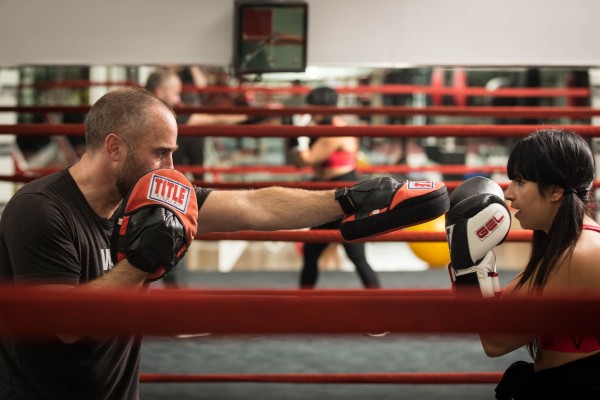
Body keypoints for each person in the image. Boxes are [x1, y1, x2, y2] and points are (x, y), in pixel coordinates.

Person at [0, 86, 447, 399]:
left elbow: (256, 207)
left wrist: (350, 198)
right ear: (113, 147)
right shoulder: (41, 210)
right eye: (160, 152)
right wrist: (139, 263)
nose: (171, 166)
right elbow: (64, 323)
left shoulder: (149, 197)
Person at [446, 128, 600, 399]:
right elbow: (501, 312)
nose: (508, 194)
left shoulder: (576, 254)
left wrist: (470, 266)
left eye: (519, 181)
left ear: (554, 190)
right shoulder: (566, 243)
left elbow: (495, 340)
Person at [145, 68, 246, 288]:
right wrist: (254, 114)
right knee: (168, 238)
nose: (179, 99)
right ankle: (174, 297)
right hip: (158, 192)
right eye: (175, 94)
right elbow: (215, 119)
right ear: (160, 91)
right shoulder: (164, 117)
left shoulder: (138, 113)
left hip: (147, 189)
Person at [290, 86, 380, 289]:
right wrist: (298, 138)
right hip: (331, 195)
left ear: (326, 107)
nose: (310, 113)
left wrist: (300, 135)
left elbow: (306, 160)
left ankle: (380, 300)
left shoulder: (335, 133)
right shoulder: (324, 129)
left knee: (356, 256)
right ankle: (303, 301)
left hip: (345, 196)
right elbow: (297, 161)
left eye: (314, 108)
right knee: (312, 251)